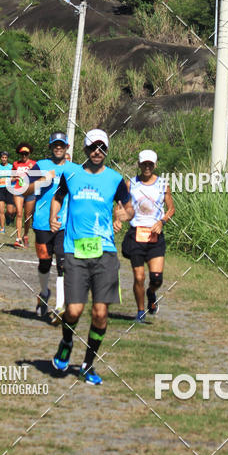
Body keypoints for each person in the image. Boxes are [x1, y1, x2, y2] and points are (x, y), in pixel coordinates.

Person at [50, 129, 133, 386]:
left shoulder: (115, 179)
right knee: (74, 310)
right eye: (93, 147)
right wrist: (55, 216)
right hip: (75, 250)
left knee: (100, 313)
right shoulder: (71, 174)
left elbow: (129, 207)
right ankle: (66, 341)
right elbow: (58, 197)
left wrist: (124, 215)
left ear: (107, 150)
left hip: (105, 252)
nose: (98, 152)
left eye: (102, 147)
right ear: (86, 150)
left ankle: (87, 363)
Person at [117, 149, 175, 322]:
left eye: (150, 164)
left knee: (156, 278)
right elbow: (120, 204)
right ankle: (140, 311)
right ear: (139, 164)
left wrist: (162, 221)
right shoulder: (130, 184)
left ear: (155, 165)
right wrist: (118, 219)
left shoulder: (163, 184)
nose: (147, 167)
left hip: (155, 236)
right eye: (144, 164)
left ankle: (151, 293)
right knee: (139, 277)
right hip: (136, 234)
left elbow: (171, 208)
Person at [26, 132, 72, 323]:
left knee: (63, 263)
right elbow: (23, 189)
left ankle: (60, 306)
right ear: (51, 147)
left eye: (62, 145)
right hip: (42, 222)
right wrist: (41, 181)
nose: (58, 148)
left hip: (64, 223)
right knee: (44, 261)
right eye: (55, 145)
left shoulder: (75, 169)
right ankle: (44, 293)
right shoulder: (41, 166)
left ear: (67, 147)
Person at [11, 143, 36, 248]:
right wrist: (15, 177)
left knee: (27, 215)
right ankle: (18, 238)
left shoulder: (34, 164)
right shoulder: (16, 164)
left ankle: (25, 235)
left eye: (26, 153)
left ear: (29, 154)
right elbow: (11, 179)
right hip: (18, 190)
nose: (24, 156)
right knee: (19, 213)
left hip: (30, 190)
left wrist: (32, 171)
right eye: (22, 154)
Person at [0, 151, 15, 232]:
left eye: (5, 157)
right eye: (2, 157)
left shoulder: (11, 166)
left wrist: (10, 180)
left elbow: (13, 177)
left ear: (7, 158)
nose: (4, 159)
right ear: (0, 158)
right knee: (1, 210)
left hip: (9, 189)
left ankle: (8, 218)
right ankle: (2, 228)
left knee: (10, 210)